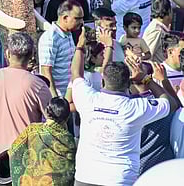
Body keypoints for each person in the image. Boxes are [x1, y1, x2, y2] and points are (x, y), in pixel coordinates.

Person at [69, 26, 174, 185]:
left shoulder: (89, 99)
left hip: (85, 176)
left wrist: (80, 45)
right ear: (128, 83)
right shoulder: (136, 107)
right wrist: (146, 79)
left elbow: (76, 73)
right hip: (119, 179)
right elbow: (168, 103)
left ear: (103, 80)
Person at [0, 33, 51, 184]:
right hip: (25, 161)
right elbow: (53, 122)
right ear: (31, 55)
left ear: (8, 54)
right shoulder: (37, 85)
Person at [8, 97, 76, 186]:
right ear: (67, 117)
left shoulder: (32, 130)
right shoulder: (68, 139)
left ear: (46, 112)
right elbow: (70, 168)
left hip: (31, 182)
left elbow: (14, 150)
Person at [39, 1, 84, 100]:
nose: (81, 22)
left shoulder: (68, 33)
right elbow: (46, 71)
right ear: (65, 18)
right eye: (77, 19)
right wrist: (56, 100)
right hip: (59, 98)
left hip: (71, 96)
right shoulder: (51, 38)